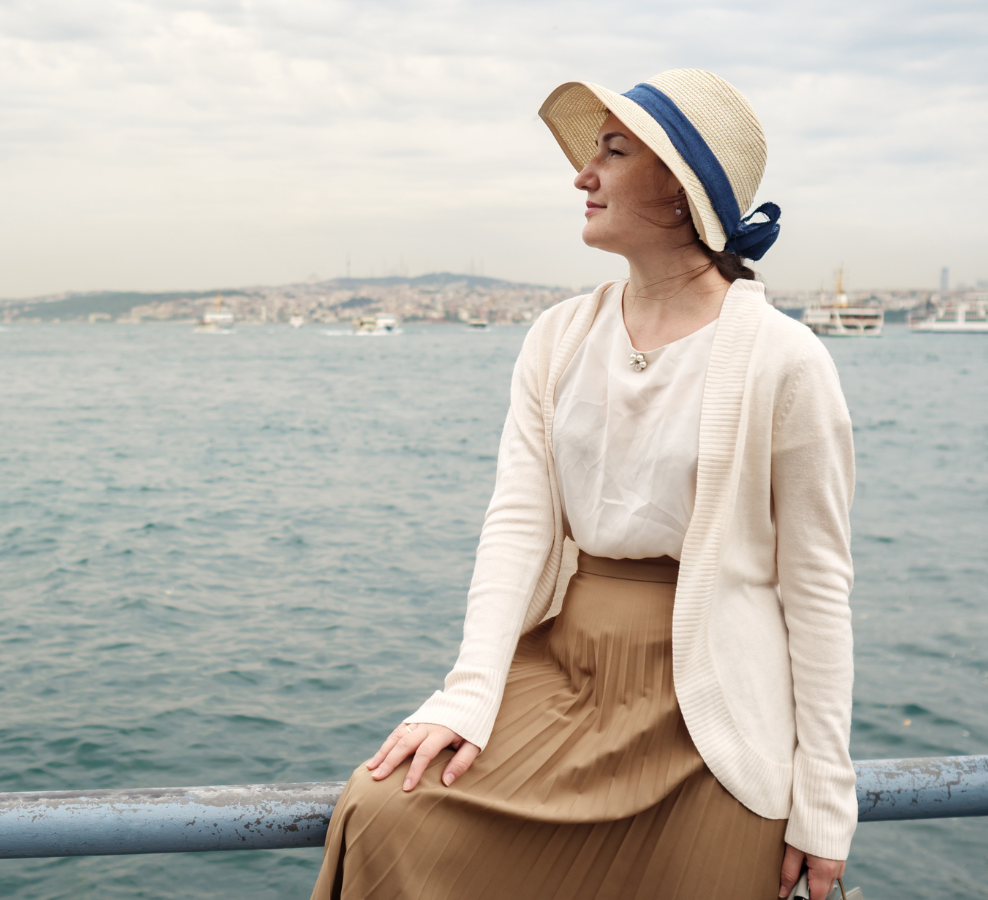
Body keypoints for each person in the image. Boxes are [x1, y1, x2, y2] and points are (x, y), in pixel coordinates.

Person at [312, 69, 857, 900]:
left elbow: (816, 587)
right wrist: (466, 695)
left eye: (612, 151)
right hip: (565, 676)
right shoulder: (558, 337)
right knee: (386, 812)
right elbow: (517, 526)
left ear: (679, 194)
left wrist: (825, 797)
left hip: (715, 716)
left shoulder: (788, 360)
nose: (582, 175)